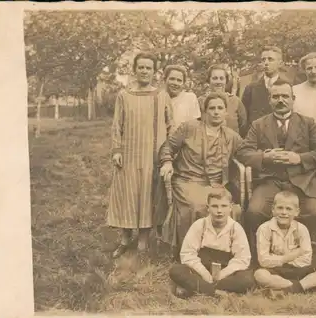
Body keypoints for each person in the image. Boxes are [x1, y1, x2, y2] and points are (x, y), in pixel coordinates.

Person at [236, 78, 316, 265]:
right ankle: (260, 257)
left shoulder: (308, 123)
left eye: (285, 96)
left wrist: (300, 158)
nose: (281, 100)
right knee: (254, 211)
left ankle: (308, 256)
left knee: (314, 212)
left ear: (293, 99)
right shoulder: (259, 124)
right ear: (270, 100)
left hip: (303, 181)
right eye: (276, 96)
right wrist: (264, 157)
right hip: (270, 181)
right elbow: (243, 152)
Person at [107, 52, 174, 258]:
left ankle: (144, 241)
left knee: (147, 195)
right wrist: (117, 150)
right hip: (128, 153)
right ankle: (125, 239)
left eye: (149, 68)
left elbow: (171, 126)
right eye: (141, 67)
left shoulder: (161, 96)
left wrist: (167, 155)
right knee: (126, 193)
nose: (144, 71)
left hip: (151, 155)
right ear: (134, 70)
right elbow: (117, 125)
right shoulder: (124, 95)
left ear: (155, 72)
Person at [159, 92, 243, 253]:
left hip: (216, 184)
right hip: (187, 180)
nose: (216, 112)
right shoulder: (189, 128)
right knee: (198, 206)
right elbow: (167, 147)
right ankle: (192, 251)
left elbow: (246, 152)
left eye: (220, 108)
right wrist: (167, 162)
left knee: (227, 207)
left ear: (226, 112)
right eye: (212, 108)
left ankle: (221, 251)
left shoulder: (231, 136)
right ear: (204, 112)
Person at [169, 188, 255, 299]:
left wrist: (222, 274)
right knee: (176, 270)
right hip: (201, 269)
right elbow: (187, 254)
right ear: (208, 208)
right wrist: (204, 274)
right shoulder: (199, 225)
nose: (219, 211)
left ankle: (199, 289)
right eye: (215, 206)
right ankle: (217, 292)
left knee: (247, 280)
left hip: (225, 272)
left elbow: (242, 258)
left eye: (223, 206)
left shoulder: (236, 228)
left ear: (230, 208)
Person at [254, 191, 316, 296]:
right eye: (280, 208)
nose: (284, 212)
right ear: (273, 210)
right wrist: (291, 256)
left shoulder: (302, 229)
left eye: (289, 209)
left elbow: (306, 259)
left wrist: (277, 258)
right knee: (260, 275)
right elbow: (264, 261)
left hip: (300, 269)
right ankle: (301, 286)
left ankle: (290, 288)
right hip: (277, 270)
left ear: (297, 212)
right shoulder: (264, 229)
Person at [242, 46, 288, 127]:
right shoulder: (251, 88)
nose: (266, 63)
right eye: (263, 60)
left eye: (270, 59)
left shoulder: (288, 87)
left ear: (280, 63)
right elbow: (244, 118)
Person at [198, 64, 247, 135]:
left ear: (226, 81)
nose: (218, 82)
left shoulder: (235, 101)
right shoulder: (201, 101)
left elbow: (243, 126)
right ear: (209, 80)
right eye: (215, 78)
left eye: (221, 78)